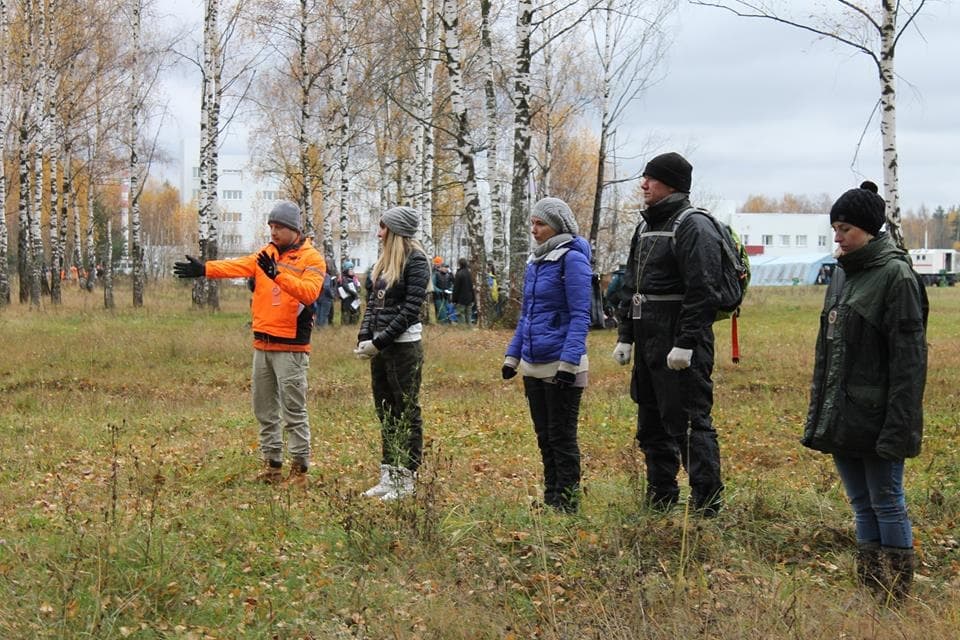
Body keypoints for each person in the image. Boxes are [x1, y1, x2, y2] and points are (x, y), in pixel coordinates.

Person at [802, 187, 927, 601]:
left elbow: (908, 364)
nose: (837, 237)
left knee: (886, 500)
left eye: (846, 229)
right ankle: (872, 589)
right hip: (844, 413)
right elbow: (830, 350)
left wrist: (898, 427)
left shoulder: (896, 276)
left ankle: (896, 594)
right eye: (835, 228)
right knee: (860, 503)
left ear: (869, 230)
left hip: (879, 417)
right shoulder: (841, 273)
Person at [173, 201, 325, 487]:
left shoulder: (312, 259)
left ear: (294, 229)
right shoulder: (265, 254)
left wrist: (277, 275)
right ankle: (272, 465)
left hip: (291, 347)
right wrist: (205, 269)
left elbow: (309, 293)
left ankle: (299, 469)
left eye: (279, 226)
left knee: (293, 410)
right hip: (262, 343)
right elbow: (237, 265)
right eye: (270, 226)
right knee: (264, 409)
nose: (273, 231)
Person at [612, 152, 725, 516]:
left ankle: (707, 505)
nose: (643, 184)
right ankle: (660, 498)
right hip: (648, 344)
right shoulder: (644, 227)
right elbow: (632, 286)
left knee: (689, 425)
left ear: (673, 184)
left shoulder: (693, 227)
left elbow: (703, 290)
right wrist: (626, 335)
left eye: (651, 178)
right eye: (644, 177)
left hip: (681, 347)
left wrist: (686, 343)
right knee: (651, 424)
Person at [502, 197, 592, 513]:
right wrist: (512, 357)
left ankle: (567, 505)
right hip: (534, 363)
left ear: (558, 225)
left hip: (562, 364)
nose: (533, 230)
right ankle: (551, 499)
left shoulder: (573, 259)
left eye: (540, 223)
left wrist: (569, 363)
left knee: (561, 438)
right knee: (544, 437)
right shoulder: (536, 262)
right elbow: (527, 315)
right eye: (532, 223)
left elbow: (581, 314)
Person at [355, 206, 431, 501]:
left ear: (396, 231)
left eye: (383, 228)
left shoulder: (416, 261)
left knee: (406, 410)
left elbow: (411, 309)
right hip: (382, 348)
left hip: (404, 349)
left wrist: (381, 341)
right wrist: (365, 336)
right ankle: (388, 475)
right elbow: (373, 305)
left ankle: (406, 478)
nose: (378, 233)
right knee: (385, 410)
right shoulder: (383, 263)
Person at [452, 257, 474, 325]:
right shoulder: (470, 273)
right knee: (468, 314)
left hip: (461, 298)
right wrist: (473, 298)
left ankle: (462, 328)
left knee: (460, 314)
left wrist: (454, 299)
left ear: (459, 264)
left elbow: (456, 288)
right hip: (469, 297)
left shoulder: (459, 274)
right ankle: (469, 327)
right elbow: (472, 287)